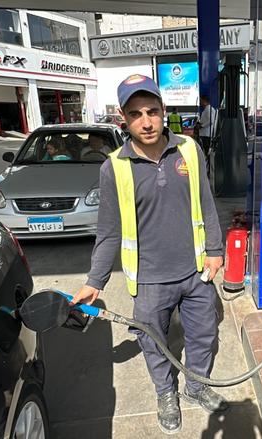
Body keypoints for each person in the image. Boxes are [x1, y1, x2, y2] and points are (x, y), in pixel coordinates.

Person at [71, 74, 226, 434]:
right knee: (154, 344)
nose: (146, 122)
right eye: (136, 114)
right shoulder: (114, 167)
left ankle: (196, 386)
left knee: (204, 335)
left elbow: (206, 202)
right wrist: (95, 281)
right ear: (123, 119)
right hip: (150, 281)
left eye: (152, 111)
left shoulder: (189, 150)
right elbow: (109, 231)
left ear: (163, 110)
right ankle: (165, 393)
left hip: (196, 272)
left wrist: (215, 250)